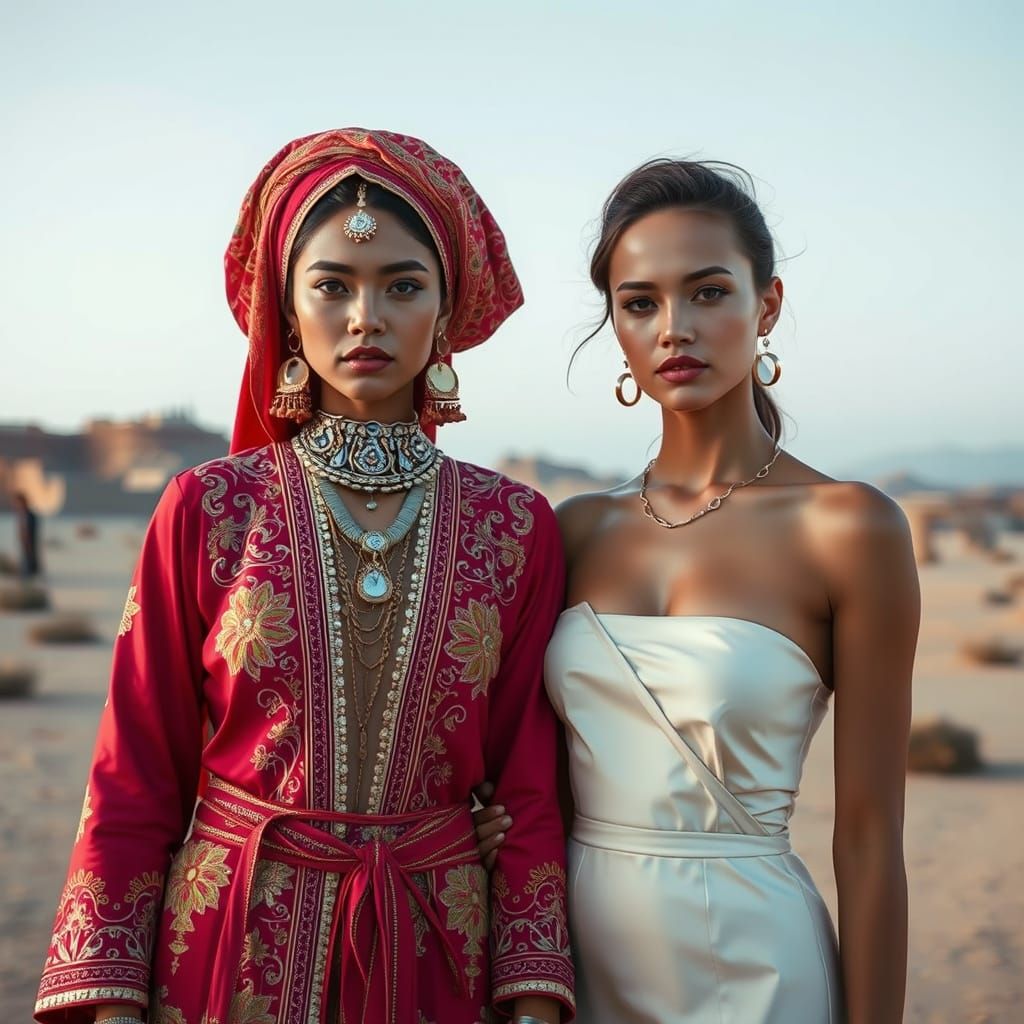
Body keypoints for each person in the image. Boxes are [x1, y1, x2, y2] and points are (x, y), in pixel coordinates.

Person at [36, 129, 573, 1024]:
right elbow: (134, 778)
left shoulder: (514, 527)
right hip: (227, 950)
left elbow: (529, 793)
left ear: (444, 312)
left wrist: (533, 999)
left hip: (435, 959)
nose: (367, 316)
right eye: (333, 285)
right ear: (286, 310)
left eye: (403, 285)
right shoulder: (207, 509)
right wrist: (112, 1002)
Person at [475, 159, 918, 1023]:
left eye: (709, 292)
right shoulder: (570, 529)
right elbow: (534, 785)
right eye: (640, 303)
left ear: (769, 306)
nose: (675, 328)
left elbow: (869, 842)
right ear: (617, 328)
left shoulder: (850, 528)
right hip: (576, 969)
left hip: (756, 967)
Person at [13, 491, 41, 579]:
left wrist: (28, 548)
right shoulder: (24, 515)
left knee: (28, 572)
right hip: (27, 548)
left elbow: (27, 534)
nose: (16, 506)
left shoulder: (28, 516)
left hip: (28, 549)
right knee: (27, 572)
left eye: (18, 503)